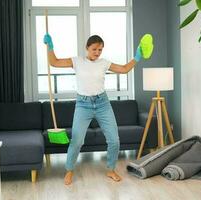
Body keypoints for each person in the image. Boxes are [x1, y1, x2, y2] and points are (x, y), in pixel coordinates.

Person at [43, 34, 142, 185]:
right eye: (94, 49)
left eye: (100, 50)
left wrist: (137, 57)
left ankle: (111, 169)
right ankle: (69, 171)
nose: (97, 52)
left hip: (103, 103)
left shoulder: (104, 63)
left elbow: (124, 69)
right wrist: (50, 47)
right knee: (77, 140)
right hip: (83, 105)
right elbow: (54, 62)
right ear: (87, 48)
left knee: (114, 140)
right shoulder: (77, 61)